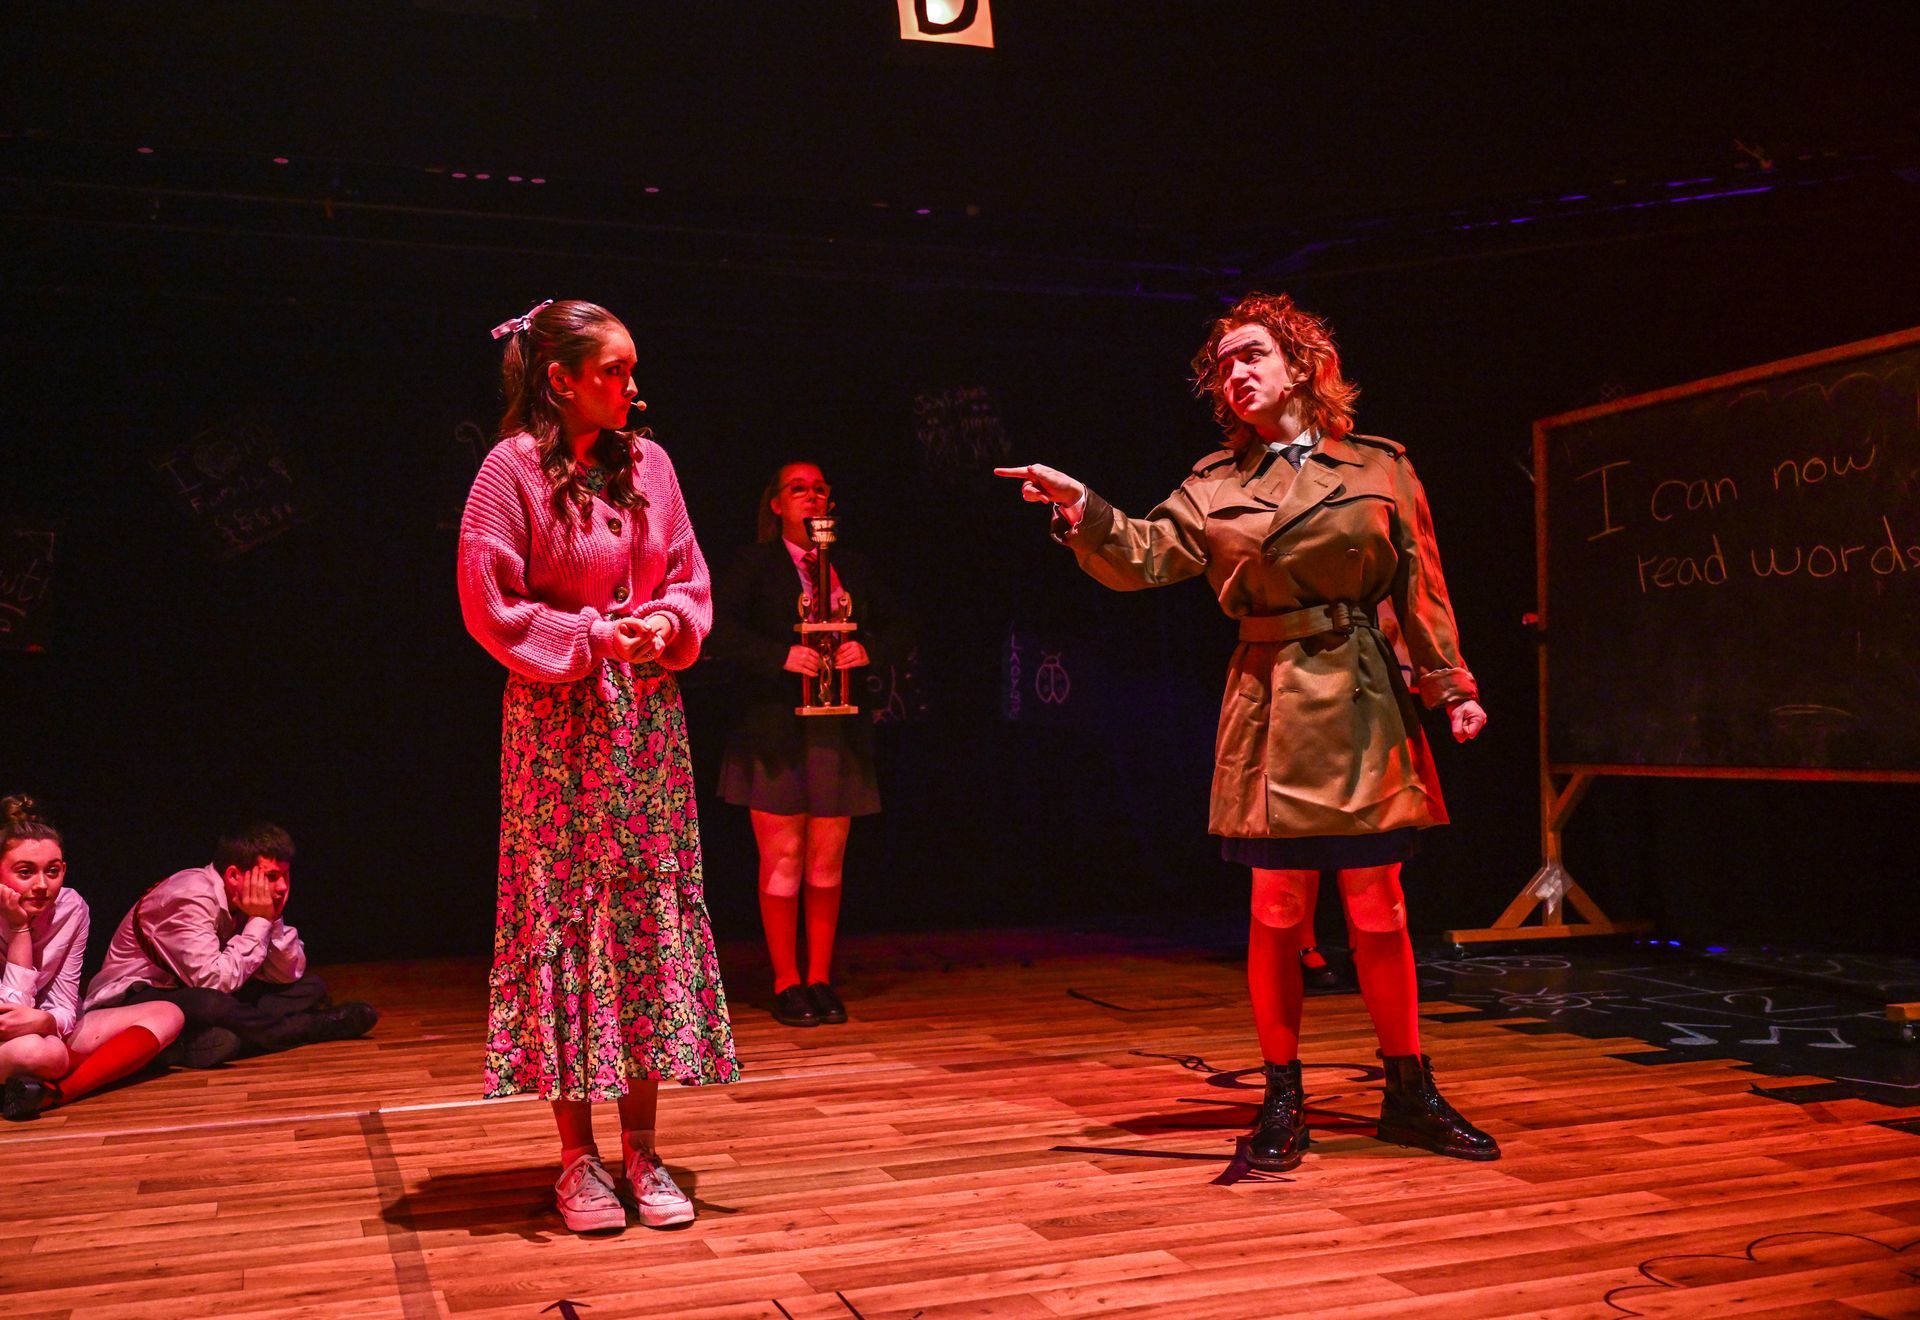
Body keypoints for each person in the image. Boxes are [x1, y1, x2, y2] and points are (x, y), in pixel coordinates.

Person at [996, 291, 1498, 1172]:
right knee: (1277, 906)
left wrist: (1449, 683)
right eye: (1223, 364)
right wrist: (1084, 507)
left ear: (1302, 365)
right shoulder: (1216, 483)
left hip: (1363, 695)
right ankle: (1281, 1096)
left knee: (1379, 904)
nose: (1235, 372)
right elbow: (1145, 554)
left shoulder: (1381, 466)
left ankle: (1409, 1090)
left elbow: (1420, 584)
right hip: (1269, 699)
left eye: (1253, 354)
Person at [458, 298, 738, 1235]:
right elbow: (488, 604)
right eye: (612, 370)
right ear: (560, 379)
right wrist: (589, 637)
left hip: (646, 724)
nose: (630, 386)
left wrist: (666, 622)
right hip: (558, 727)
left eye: (630, 368)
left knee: (644, 922)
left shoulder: (652, 464)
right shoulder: (510, 471)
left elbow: (691, 577)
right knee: (568, 922)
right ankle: (577, 1156)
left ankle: (644, 1148)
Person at [708, 462, 907, 1027]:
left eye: (820, 489)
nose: (812, 497)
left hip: (838, 732)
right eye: (798, 489)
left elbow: (902, 626)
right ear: (776, 504)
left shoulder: (852, 566)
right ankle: (786, 981)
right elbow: (717, 627)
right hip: (774, 729)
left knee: (826, 862)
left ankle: (820, 977)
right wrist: (780, 656)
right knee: (784, 859)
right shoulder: (754, 564)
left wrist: (867, 650)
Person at [83, 821, 378, 1068]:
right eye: (272, 876)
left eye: (285, 875)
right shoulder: (189, 897)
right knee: (212, 1005)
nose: (282, 887)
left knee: (309, 987)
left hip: (202, 989)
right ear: (235, 875)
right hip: (138, 999)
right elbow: (213, 982)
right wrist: (260, 921)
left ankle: (200, 1043)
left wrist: (271, 919)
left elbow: (287, 974)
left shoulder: (250, 898)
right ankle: (308, 1028)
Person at [0, 795, 185, 1120]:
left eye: (52, 871)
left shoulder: (71, 908)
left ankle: (52, 1094)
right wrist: (19, 930)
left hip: (43, 1027)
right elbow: (7, 1020)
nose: (42, 885)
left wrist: (47, 1022)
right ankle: (76, 1072)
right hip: (16, 1038)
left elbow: (64, 1002)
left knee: (168, 1014)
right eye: (25, 872)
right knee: (41, 1053)